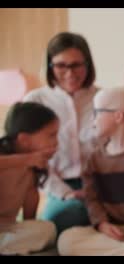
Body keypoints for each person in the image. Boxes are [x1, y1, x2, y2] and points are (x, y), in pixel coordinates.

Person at [56, 86, 124, 256]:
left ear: (118, 116)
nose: (92, 120)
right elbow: (91, 198)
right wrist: (102, 224)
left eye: (97, 113)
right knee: (66, 240)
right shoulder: (93, 158)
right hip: (108, 228)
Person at [23, 32, 100, 234]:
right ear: (50, 66)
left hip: (100, 184)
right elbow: (31, 158)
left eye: (76, 64)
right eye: (61, 65)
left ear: (88, 64)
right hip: (58, 185)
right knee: (67, 217)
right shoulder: (35, 101)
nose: (70, 72)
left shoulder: (102, 98)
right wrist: (64, 192)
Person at [0, 102, 59, 255]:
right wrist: (27, 159)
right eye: (51, 135)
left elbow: (30, 207)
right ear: (24, 140)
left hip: (5, 228)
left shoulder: (31, 168)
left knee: (47, 229)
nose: (56, 141)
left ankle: (7, 247)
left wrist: (30, 228)